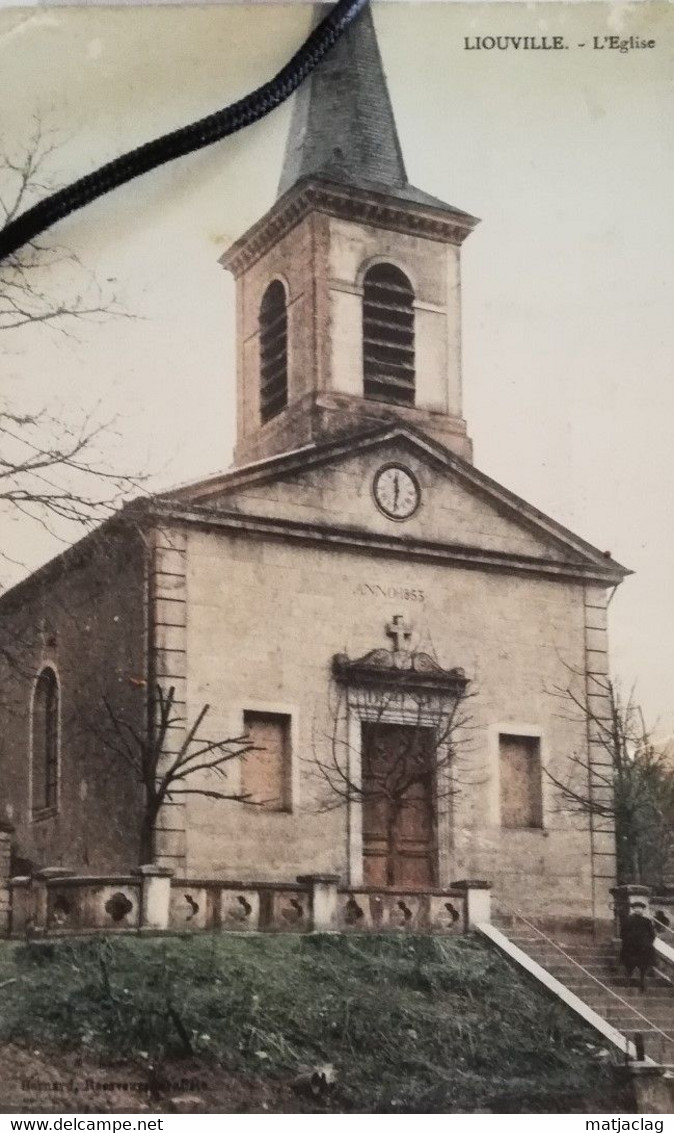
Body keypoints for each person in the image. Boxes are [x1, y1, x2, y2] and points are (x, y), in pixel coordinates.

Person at [619, 902, 656, 991]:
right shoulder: (628, 920)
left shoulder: (646, 921)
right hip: (630, 947)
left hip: (642, 947)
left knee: (643, 965)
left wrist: (647, 943)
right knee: (629, 964)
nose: (638, 909)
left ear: (643, 910)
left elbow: (652, 934)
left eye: (640, 908)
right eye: (636, 908)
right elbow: (622, 933)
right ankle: (627, 981)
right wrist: (627, 942)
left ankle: (642, 982)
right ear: (633, 909)